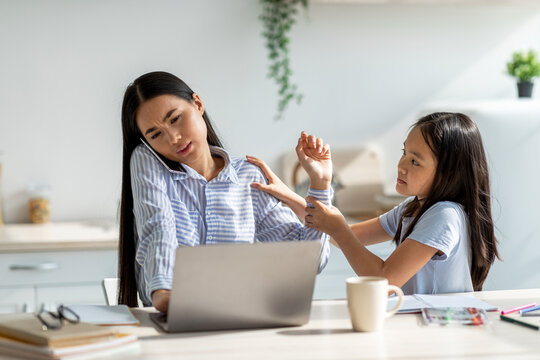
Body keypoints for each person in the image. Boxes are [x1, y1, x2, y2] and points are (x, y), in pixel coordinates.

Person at [118, 71, 332, 312]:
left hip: (240, 320)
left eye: (175, 118)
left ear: (197, 104)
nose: (174, 138)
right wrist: (164, 295)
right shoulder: (147, 163)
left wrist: (320, 183)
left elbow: (307, 259)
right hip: (175, 318)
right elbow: (159, 228)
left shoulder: (248, 175)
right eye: (155, 134)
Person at [248, 112, 500, 295]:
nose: (401, 165)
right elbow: (340, 233)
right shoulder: (414, 208)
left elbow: (384, 280)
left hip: (442, 332)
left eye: (415, 161)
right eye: (404, 152)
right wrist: (304, 187)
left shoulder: (444, 215)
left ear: (448, 173)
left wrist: (338, 229)